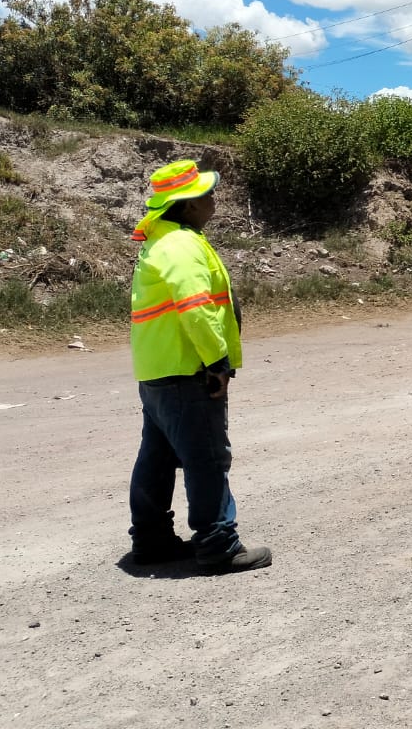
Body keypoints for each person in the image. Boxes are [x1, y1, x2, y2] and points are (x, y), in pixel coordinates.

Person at [126, 159, 271, 572]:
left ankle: (151, 540)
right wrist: (217, 362)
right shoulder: (181, 246)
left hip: (159, 370)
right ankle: (218, 544)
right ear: (188, 205)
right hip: (187, 371)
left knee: (156, 458)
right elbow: (196, 309)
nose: (214, 199)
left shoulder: (166, 240)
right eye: (207, 194)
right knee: (206, 457)